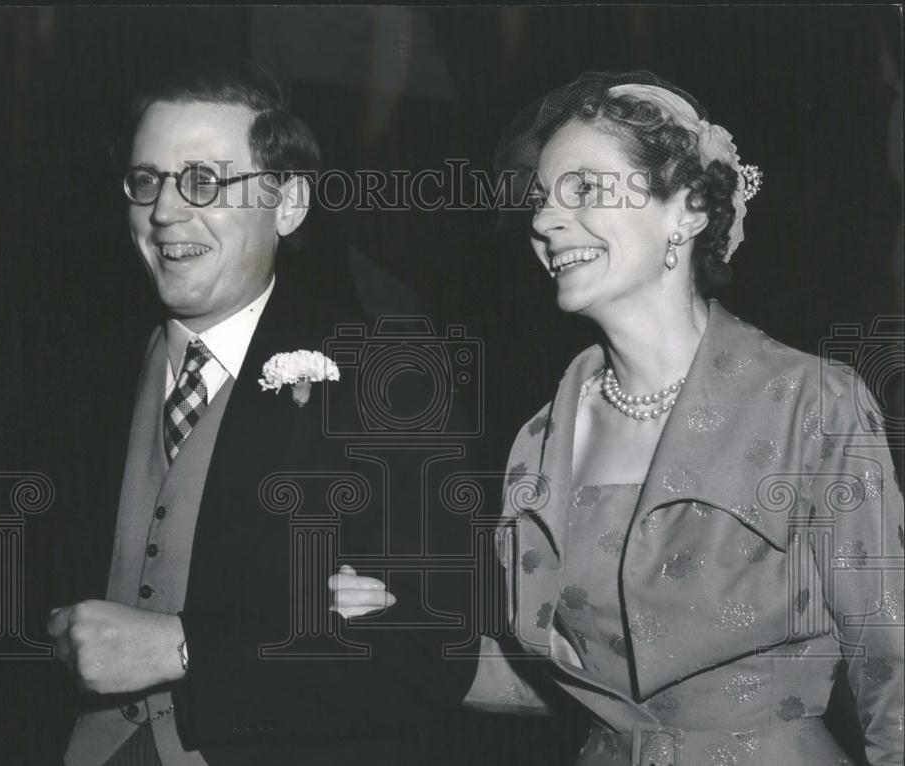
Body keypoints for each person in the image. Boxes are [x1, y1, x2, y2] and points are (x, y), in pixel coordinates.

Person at [333, 71, 904, 766]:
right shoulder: (538, 444)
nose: (543, 220)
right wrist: (394, 630)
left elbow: (893, 671)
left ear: (687, 208)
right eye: (541, 199)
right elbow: (564, 688)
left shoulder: (810, 405)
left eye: (585, 189)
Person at [47, 63, 475, 766]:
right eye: (147, 180)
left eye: (205, 182)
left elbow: (434, 652)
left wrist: (183, 648)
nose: (164, 212)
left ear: (288, 204)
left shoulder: (387, 381)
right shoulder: (74, 374)